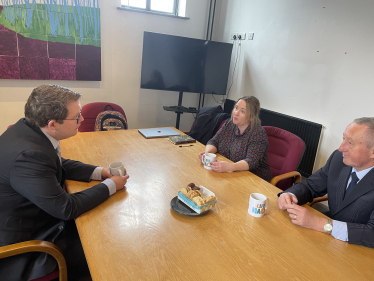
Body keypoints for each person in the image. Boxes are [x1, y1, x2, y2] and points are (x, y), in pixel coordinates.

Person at [0, 85, 130, 280]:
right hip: (25, 244)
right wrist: (112, 186)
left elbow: (56, 164)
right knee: (106, 255)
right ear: (53, 124)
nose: (83, 120)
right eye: (77, 116)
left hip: (35, 215)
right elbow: (66, 208)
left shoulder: (28, 130)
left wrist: (100, 172)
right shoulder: (28, 156)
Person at [277, 117, 374, 248]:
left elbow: (371, 233)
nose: (341, 148)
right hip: (326, 240)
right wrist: (290, 195)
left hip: (360, 249)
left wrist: (320, 223)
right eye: (343, 138)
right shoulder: (338, 159)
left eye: (350, 143)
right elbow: (311, 185)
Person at [198, 96, 272, 182]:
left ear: (251, 117)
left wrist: (230, 167)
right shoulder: (229, 124)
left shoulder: (258, 133)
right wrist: (207, 154)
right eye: (236, 108)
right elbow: (214, 141)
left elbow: (251, 161)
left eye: (242, 111)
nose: (236, 113)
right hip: (231, 175)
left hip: (253, 179)